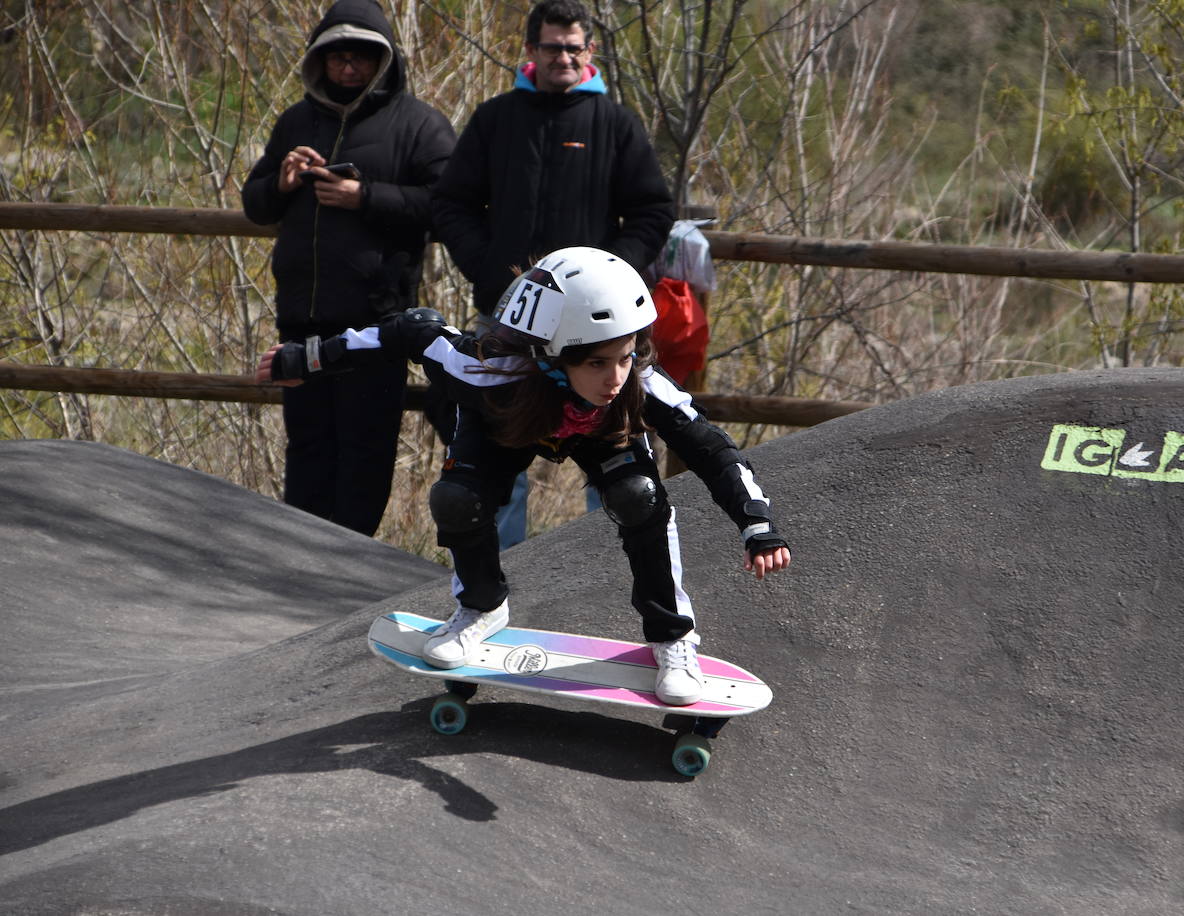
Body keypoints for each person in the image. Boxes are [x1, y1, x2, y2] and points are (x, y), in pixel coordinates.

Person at [256, 247, 790, 705]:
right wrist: (306, 357)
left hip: (600, 436)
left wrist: (756, 524)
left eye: (626, 357)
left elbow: (714, 450)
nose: (615, 377)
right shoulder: (485, 367)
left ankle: (673, 638)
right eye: (597, 364)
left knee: (638, 495)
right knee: (456, 499)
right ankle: (480, 609)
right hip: (504, 425)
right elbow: (409, 331)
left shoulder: (637, 384)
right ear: (552, 356)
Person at [429, 0, 675, 547]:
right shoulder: (496, 119)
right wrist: (492, 270)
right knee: (497, 440)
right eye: (551, 46)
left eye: (573, 47)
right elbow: (451, 203)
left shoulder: (614, 123)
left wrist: (612, 278)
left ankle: (606, 574)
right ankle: (502, 572)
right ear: (530, 51)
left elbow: (653, 211)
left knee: (614, 450)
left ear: (589, 51)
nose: (562, 56)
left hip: (599, 327)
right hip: (510, 316)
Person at [241, 0, 456, 536]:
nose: (348, 68)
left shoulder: (420, 125)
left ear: (383, 61)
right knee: (308, 448)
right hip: (301, 319)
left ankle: (349, 573)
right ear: (320, 60)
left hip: (375, 323)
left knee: (364, 453)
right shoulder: (296, 120)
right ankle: (300, 562)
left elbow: (449, 204)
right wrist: (285, 182)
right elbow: (256, 204)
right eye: (336, 57)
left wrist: (366, 197)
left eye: (361, 57)